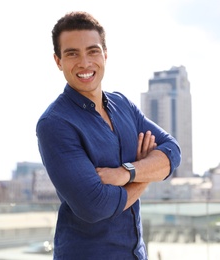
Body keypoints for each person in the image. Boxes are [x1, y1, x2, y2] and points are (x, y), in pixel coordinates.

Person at [36, 11, 181, 260]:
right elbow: (95, 206)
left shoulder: (122, 104)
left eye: (92, 51)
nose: (84, 63)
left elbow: (172, 151)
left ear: (105, 53)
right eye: (72, 53)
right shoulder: (55, 124)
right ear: (58, 61)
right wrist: (146, 176)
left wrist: (126, 173)